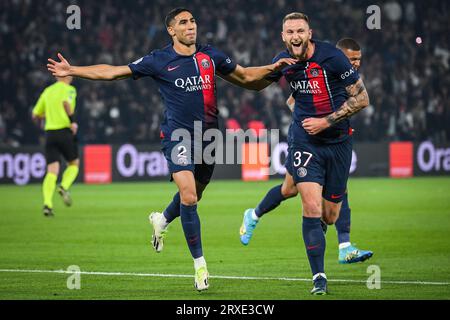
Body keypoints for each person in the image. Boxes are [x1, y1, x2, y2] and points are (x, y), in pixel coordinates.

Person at [46, 7, 295, 292]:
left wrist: (276, 70)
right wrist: (73, 70)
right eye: (183, 23)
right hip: (178, 136)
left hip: (209, 138)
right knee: (189, 196)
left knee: (195, 194)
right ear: (171, 30)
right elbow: (114, 72)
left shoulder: (211, 56)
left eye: (192, 21)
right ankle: (200, 265)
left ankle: (162, 218)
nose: (191, 26)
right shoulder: (159, 60)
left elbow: (248, 79)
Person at [232, 13, 370, 294]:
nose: (295, 36)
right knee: (311, 206)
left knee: (328, 215)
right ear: (283, 36)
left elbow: (363, 98)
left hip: (338, 142)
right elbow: (255, 83)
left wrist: (326, 121)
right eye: (289, 32)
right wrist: (232, 72)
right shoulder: (284, 61)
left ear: (309, 33)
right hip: (305, 143)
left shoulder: (332, 57)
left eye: (300, 31)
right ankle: (318, 277)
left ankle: (255, 214)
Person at [32, 76, 79, 217]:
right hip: (64, 131)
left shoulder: (47, 91)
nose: (72, 76)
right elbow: (66, 104)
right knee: (74, 163)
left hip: (50, 134)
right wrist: (73, 122)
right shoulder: (70, 89)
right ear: (65, 76)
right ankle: (64, 187)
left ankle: (47, 205)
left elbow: (35, 114)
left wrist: (46, 119)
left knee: (52, 171)